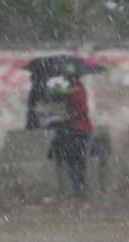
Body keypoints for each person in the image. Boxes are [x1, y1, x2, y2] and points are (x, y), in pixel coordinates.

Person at [49, 65, 91, 196]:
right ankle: (79, 187)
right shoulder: (75, 89)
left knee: (75, 160)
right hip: (79, 129)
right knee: (77, 160)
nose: (68, 79)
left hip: (77, 129)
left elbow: (79, 110)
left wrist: (69, 114)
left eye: (69, 76)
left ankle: (79, 188)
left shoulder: (75, 90)